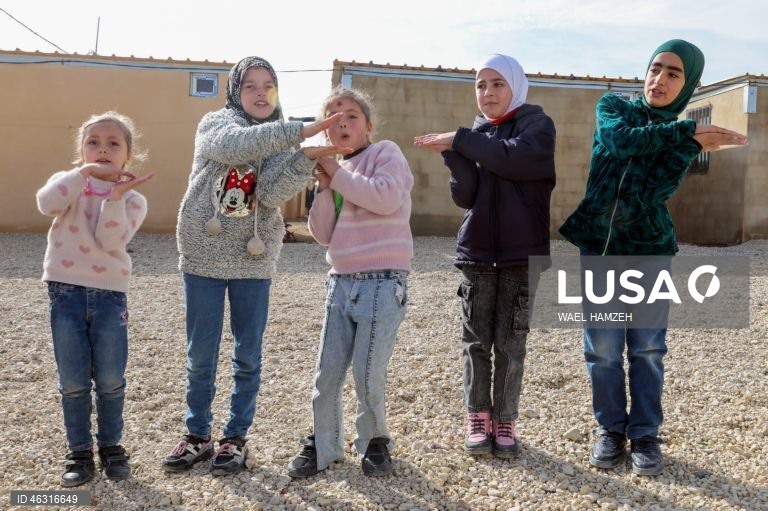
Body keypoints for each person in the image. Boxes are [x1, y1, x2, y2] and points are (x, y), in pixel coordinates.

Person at [559, 39, 748, 476]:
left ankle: (644, 434)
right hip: (600, 249)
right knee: (602, 351)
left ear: (689, 86)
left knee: (647, 349)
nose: (659, 80)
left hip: (649, 251)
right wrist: (684, 133)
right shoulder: (614, 108)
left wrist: (679, 141)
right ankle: (610, 430)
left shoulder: (682, 141)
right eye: (655, 68)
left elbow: (651, 193)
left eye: (673, 74)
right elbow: (618, 142)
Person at [162, 56, 350, 476]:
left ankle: (235, 438)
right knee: (201, 354)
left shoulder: (280, 142)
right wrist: (301, 132)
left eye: (269, 85)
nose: (262, 93)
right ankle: (197, 435)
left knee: (247, 354)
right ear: (235, 91)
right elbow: (237, 147)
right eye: (251, 86)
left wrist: (305, 157)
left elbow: (269, 194)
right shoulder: (214, 125)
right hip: (203, 257)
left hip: (254, 257)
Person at [414, 54, 556, 458]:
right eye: (480, 85)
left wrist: (460, 139)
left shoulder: (537, 125)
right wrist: (453, 154)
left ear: (516, 85)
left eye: (497, 83)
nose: (488, 92)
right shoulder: (477, 133)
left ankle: (505, 421)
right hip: (476, 255)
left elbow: (514, 158)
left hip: (520, 257)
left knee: (511, 345)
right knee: (475, 342)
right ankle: (478, 418)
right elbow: (467, 195)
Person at [287, 86, 413, 478]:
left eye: (351, 116)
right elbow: (323, 233)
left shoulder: (385, 153)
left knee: (367, 371)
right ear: (325, 131)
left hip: (382, 282)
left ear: (369, 126)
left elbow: (386, 198)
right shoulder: (331, 172)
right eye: (332, 118)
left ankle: (375, 441)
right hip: (340, 282)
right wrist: (324, 188)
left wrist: (337, 176)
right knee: (326, 373)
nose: (342, 123)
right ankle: (322, 443)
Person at [36, 111, 154, 486]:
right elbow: (46, 203)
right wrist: (82, 175)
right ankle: (79, 451)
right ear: (81, 150)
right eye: (93, 142)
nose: (103, 149)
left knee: (109, 379)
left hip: (110, 298)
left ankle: (111, 447)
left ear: (128, 156)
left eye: (113, 143)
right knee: (72, 381)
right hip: (64, 292)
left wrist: (114, 198)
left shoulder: (134, 200)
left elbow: (110, 240)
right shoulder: (67, 183)